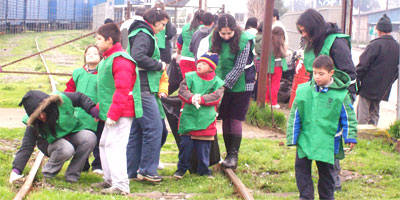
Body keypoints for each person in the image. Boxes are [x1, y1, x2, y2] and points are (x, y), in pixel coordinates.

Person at [297, 8, 357, 191]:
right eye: (301, 31)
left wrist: (333, 91)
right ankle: (319, 172)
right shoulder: (311, 42)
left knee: (331, 134)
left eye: (305, 30)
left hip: (337, 94)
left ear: (315, 27)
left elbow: (349, 73)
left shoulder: (337, 43)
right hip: (316, 93)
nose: (303, 34)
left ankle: (332, 176)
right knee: (314, 130)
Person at [286, 55, 357, 200]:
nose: (317, 77)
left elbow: (348, 117)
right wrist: (292, 137)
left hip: (327, 141)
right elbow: (295, 114)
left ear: (331, 73)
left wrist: (350, 136)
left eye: (321, 74)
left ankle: (326, 197)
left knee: (326, 174)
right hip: (306, 139)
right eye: (314, 73)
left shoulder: (340, 95)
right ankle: (305, 196)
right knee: (301, 170)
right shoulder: (304, 91)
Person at [91, 22, 140, 195]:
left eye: (99, 39)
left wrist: (112, 113)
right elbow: (107, 88)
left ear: (109, 40)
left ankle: (121, 185)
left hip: (121, 111)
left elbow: (123, 89)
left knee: (115, 146)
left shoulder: (120, 60)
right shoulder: (109, 57)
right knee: (104, 143)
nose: (96, 42)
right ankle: (110, 179)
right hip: (114, 110)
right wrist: (100, 109)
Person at [10, 90, 98, 183]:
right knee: (66, 149)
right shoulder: (33, 123)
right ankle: (47, 175)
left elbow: (80, 97)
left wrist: (93, 110)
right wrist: (16, 171)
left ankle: (72, 176)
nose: (42, 117)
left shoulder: (62, 100)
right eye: (38, 116)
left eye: (43, 112)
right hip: (50, 143)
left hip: (71, 134)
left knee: (90, 137)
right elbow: (26, 147)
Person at [126, 7, 169, 182]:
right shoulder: (144, 33)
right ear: (155, 21)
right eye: (163, 24)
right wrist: (159, 65)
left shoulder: (140, 32)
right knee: (154, 127)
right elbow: (138, 56)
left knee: (137, 130)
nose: (163, 28)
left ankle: (131, 170)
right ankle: (147, 170)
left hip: (140, 85)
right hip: (143, 87)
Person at [210, 14, 256, 169]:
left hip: (242, 84)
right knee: (225, 117)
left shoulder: (244, 41)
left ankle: (233, 155)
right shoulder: (214, 38)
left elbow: (239, 67)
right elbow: (213, 59)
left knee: (234, 117)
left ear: (235, 30)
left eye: (229, 33)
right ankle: (228, 153)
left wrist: (223, 85)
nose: (226, 37)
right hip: (221, 81)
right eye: (223, 34)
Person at [174, 52, 224, 179]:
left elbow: (216, 97)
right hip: (189, 117)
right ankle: (181, 168)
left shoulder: (218, 82)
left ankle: (203, 169)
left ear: (212, 67)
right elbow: (182, 90)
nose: (199, 65)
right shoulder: (189, 77)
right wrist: (191, 98)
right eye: (199, 63)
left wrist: (201, 99)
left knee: (204, 147)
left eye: (203, 64)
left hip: (206, 119)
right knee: (185, 145)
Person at [64, 45, 104, 175]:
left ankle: (98, 164)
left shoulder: (103, 73)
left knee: (99, 139)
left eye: (95, 53)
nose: (91, 55)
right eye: (88, 53)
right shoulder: (78, 73)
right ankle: (83, 163)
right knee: (81, 139)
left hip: (97, 112)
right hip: (79, 113)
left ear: (100, 56)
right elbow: (69, 89)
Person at [356, 14, 400, 125]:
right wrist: (388, 82)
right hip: (383, 87)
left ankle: (361, 136)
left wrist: (356, 79)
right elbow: (396, 71)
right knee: (374, 112)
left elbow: (363, 65)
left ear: (379, 30)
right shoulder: (397, 47)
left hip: (367, 86)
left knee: (363, 112)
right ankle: (372, 136)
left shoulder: (375, 45)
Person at [177, 9, 205, 78]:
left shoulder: (185, 27)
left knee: (187, 82)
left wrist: (178, 52)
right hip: (199, 60)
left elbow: (179, 43)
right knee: (198, 82)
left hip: (185, 58)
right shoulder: (204, 29)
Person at [265, 26, 288, 109]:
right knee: (275, 85)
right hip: (278, 66)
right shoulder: (281, 42)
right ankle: (273, 102)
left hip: (268, 66)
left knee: (268, 84)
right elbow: (284, 54)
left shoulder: (268, 41)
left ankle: (267, 101)